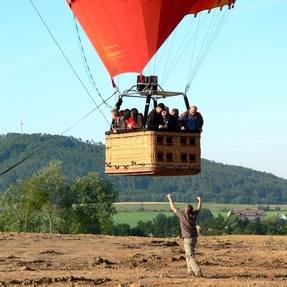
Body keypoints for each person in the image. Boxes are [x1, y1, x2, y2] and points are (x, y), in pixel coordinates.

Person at [166, 193, 203, 277]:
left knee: (190, 256)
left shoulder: (182, 216)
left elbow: (173, 208)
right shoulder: (194, 215)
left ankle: (197, 271)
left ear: (186, 210)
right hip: (194, 238)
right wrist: (200, 200)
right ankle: (190, 271)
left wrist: (170, 199)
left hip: (187, 238)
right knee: (189, 254)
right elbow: (199, 208)